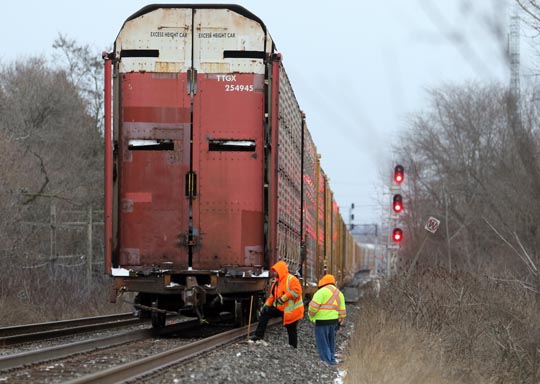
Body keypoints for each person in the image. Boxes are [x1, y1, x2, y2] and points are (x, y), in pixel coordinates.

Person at [250, 260, 304, 348]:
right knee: (265, 313)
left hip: (292, 310)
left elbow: (297, 292)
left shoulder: (291, 279)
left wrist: (283, 299)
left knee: (291, 328)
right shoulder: (276, 282)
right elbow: (272, 296)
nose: (274, 273)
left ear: (281, 270)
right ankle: (258, 336)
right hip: (281, 308)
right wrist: (266, 305)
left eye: (276, 271)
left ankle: (293, 346)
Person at [308, 274, 346, 365]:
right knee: (331, 341)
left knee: (322, 342)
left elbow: (313, 307)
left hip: (321, 322)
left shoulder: (321, 292)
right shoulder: (339, 293)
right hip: (334, 322)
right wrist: (340, 319)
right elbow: (342, 310)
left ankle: (327, 361)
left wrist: (311, 315)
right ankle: (331, 359)